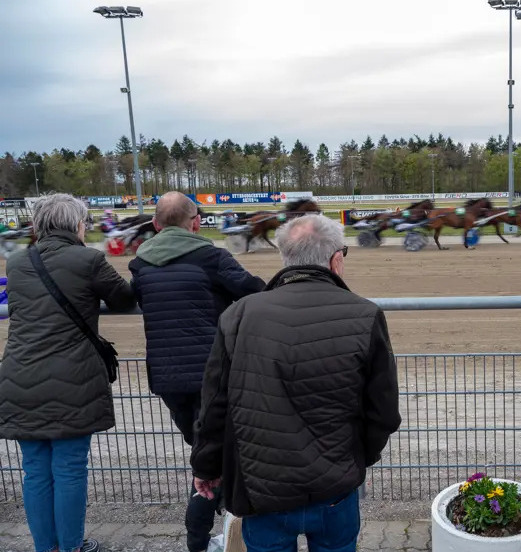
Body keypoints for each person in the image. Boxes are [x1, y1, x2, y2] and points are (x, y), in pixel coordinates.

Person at [191, 214, 401, 552]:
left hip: (262, 490)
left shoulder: (239, 313)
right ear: (336, 259)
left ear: (285, 256)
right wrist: (357, 459)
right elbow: (384, 412)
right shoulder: (365, 314)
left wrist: (205, 465)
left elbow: (215, 404)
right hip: (336, 486)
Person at [128, 191, 265, 552]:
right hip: (213, 377)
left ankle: (207, 534)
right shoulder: (211, 256)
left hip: (167, 379)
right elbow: (254, 290)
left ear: (156, 225)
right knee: (214, 462)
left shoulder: (140, 264)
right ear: (196, 222)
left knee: (204, 455)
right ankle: (211, 537)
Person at [0, 193, 135, 552]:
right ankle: (72, 545)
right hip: (72, 380)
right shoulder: (88, 259)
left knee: (35, 471)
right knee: (70, 468)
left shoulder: (16, 262)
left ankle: (48, 547)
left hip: (18, 377)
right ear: (76, 224)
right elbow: (123, 298)